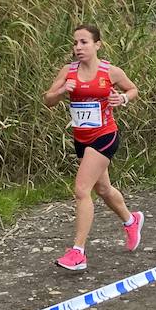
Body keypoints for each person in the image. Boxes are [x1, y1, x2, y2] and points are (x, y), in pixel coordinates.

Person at [43, 24, 144, 271]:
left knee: (81, 190)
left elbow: (133, 90)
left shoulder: (111, 71)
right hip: (82, 138)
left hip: (105, 136)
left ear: (97, 45)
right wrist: (60, 91)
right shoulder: (68, 71)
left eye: (84, 42)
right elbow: (48, 100)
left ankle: (78, 252)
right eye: (75, 43)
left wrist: (122, 98)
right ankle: (131, 221)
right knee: (104, 189)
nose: (78, 47)